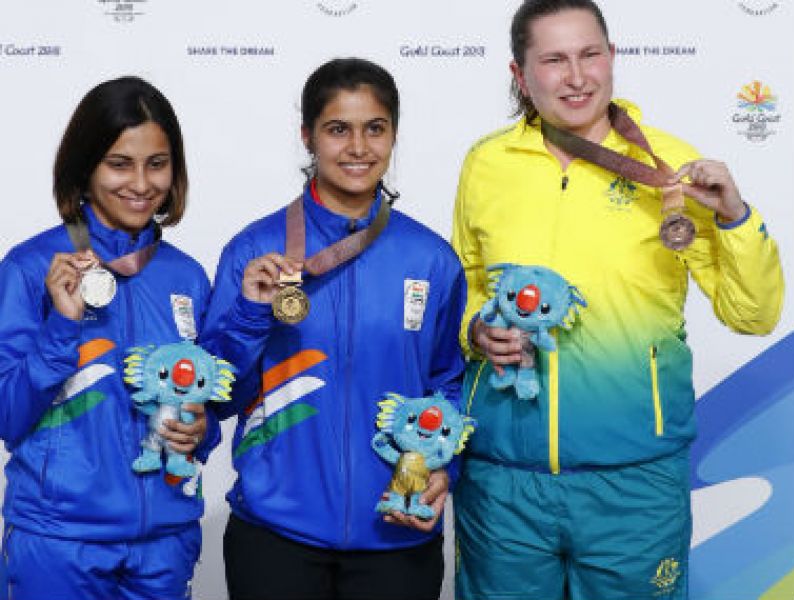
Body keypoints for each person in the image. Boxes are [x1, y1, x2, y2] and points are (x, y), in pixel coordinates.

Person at [450, 1, 784, 599]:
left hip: (634, 483)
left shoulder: (672, 167)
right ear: (520, 75)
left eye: (589, 54)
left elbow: (753, 313)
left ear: (612, 58)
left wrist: (735, 216)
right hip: (503, 484)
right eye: (553, 60)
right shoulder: (487, 164)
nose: (576, 77)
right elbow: (467, 284)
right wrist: (476, 328)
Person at [200, 57, 466, 600]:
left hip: (396, 534)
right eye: (338, 129)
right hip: (276, 535)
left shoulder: (432, 258)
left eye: (376, 128)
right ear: (308, 137)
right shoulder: (255, 250)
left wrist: (447, 468)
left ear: (394, 134)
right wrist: (251, 312)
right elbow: (213, 394)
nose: (359, 147)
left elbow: (449, 382)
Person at [0, 76, 216, 600]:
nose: (141, 183)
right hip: (60, 541)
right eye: (120, 163)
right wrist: (61, 327)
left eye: (157, 164)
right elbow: (7, 417)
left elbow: (200, 412)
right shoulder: (32, 269)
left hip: (164, 543)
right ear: (85, 168)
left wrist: (201, 431)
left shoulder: (186, 276)